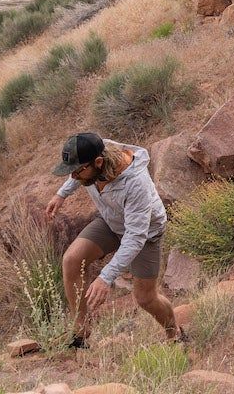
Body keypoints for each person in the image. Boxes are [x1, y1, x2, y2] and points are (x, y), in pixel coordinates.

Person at [44, 132, 182, 347]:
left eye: (78, 172)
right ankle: (80, 334)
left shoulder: (136, 184)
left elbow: (135, 237)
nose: (74, 178)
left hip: (145, 234)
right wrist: (61, 194)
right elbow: (76, 172)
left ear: (99, 162)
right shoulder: (98, 151)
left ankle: (176, 335)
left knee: (145, 298)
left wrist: (105, 277)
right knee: (72, 260)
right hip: (111, 220)